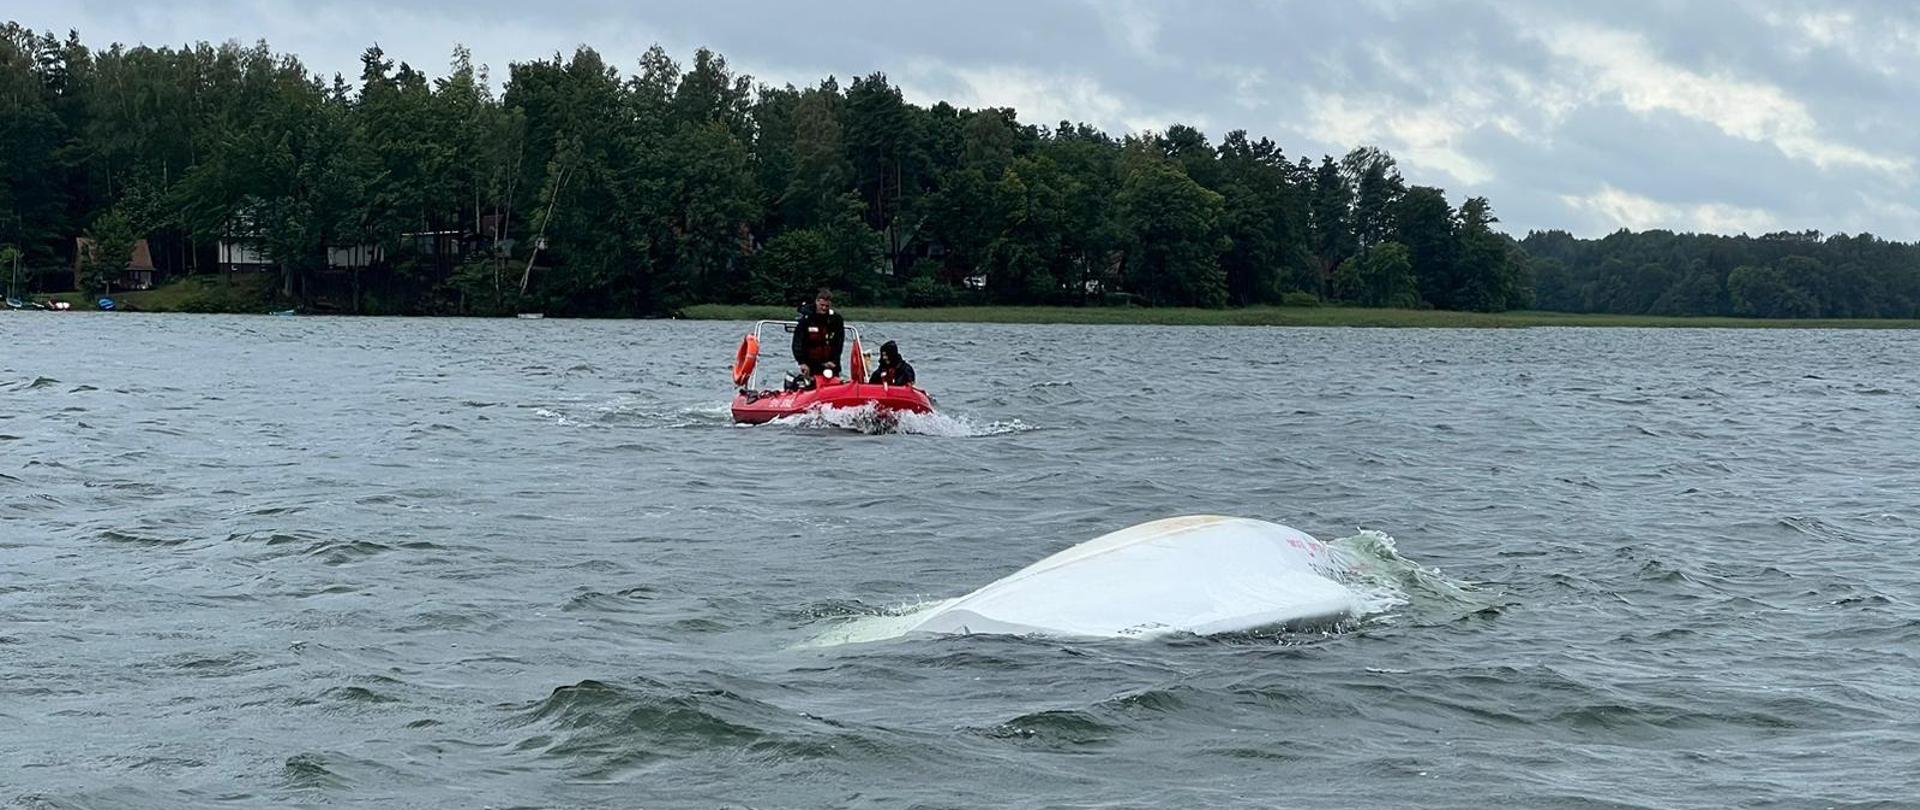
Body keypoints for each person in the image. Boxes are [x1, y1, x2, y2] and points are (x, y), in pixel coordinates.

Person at [788, 287, 844, 389]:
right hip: (810, 364)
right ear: (817, 302)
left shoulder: (836, 320)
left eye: (827, 306)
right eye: (822, 305)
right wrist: (802, 362)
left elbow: (838, 343)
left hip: (830, 364)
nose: (824, 308)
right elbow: (798, 342)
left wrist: (834, 361)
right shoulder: (806, 320)